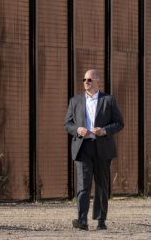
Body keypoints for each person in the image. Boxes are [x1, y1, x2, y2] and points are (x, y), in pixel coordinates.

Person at [64, 69, 124, 231]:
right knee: (83, 186)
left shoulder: (109, 100)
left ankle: (101, 220)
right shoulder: (75, 101)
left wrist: (104, 131)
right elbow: (68, 124)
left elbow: (119, 123)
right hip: (83, 148)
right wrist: (77, 130)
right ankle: (82, 219)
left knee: (102, 186)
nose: (86, 82)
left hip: (102, 148)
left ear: (98, 81)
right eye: (84, 79)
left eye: (89, 79)